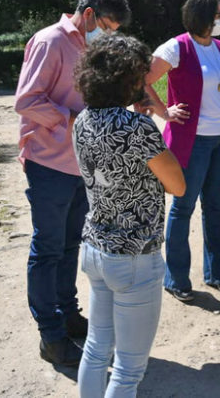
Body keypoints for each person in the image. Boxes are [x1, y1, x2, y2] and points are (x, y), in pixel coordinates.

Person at [15, 0, 131, 366]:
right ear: (88, 15)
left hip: (81, 165)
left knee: (70, 247)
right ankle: (50, 335)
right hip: (49, 163)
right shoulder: (50, 41)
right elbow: (27, 101)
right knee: (48, 249)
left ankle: (67, 314)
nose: (109, 35)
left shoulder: (92, 48)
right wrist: (74, 121)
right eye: (108, 26)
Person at [72, 34, 186, 397]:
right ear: (129, 78)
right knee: (129, 368)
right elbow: (178, 185)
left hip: (95, 248)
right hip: (135, 256)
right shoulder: (136, 127)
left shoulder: (82, 120)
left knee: (95, 349)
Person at [145, 0, 220, 303]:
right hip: (192, 142)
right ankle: (175, 278)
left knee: (214, 206)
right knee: (183, 208)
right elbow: (143, 81)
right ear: (201, 16)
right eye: (217, 14)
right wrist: (164, 111)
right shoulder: (176, 47)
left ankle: (218, 274)